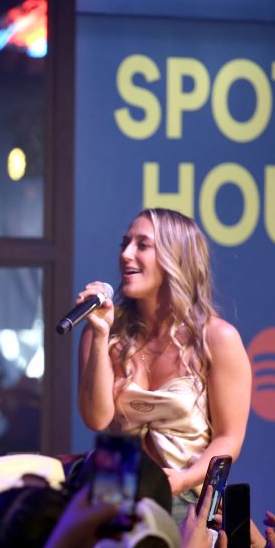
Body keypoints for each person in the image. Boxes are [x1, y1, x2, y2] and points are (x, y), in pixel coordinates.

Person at [74, 208, 251, 508]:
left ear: (176, 257)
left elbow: (228, 438)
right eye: (125, 243)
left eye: (142, 245)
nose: (126, 254)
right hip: (113, 501)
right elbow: (96, 419)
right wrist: (101, 335)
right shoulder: (102, 332)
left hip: (186, 499)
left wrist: (186, 479)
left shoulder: (217, 338)